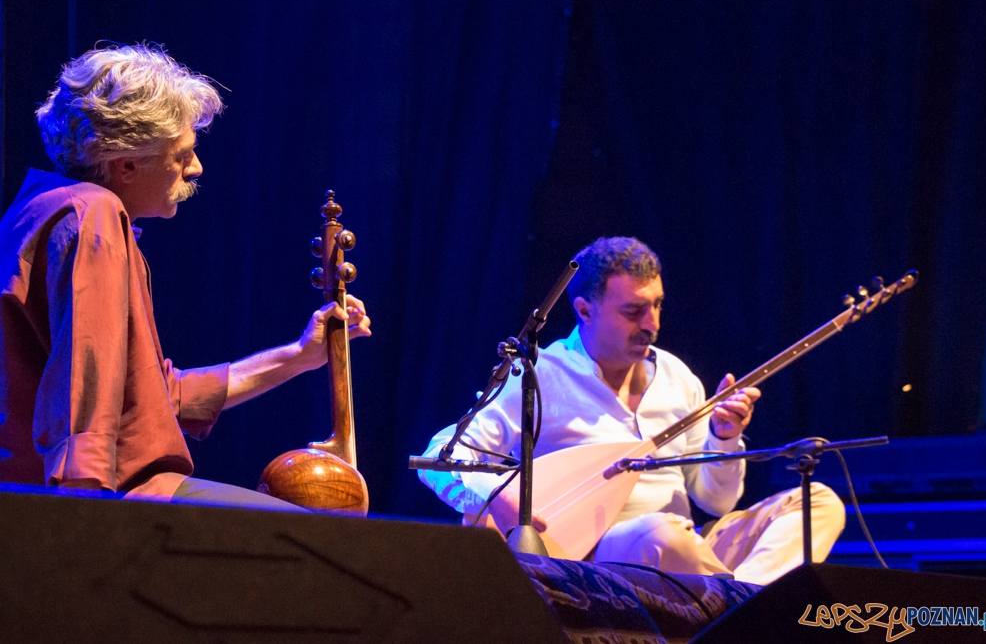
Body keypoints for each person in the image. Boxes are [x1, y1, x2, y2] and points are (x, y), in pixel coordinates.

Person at [0, 44, 371, 510]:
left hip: (62, 494)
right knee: (329, 548)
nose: (195, 168)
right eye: (182, 154)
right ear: (126, 163)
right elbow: (84, 391)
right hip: (112, 497)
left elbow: (159, 395)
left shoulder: (40, 207)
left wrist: (298, 356)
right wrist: (83, 521)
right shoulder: (95, 215)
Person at [419, 237, 845, 584]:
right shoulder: (538, 375)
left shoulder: (677, 376)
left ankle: (745, 605)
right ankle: (744, 609)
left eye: (657, 305)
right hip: (598, 558)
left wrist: (724, 435)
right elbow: (440, 456)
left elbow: (717, 501)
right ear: (584, 309)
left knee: (819, 503)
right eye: (633, 311)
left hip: (688, 550)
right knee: (658, 532)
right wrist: (499, 498)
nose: (652, 323)